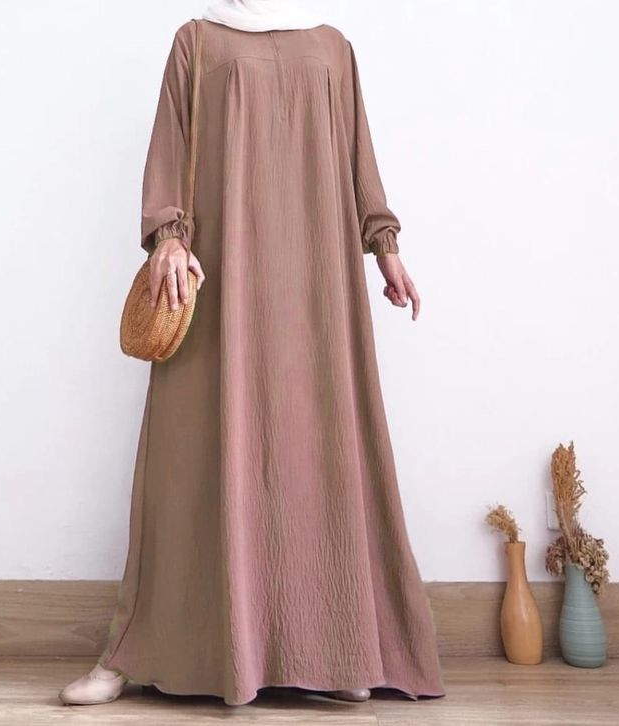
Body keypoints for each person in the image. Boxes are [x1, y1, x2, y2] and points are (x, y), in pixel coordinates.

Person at [59, 0, 445, 708]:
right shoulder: (198, 40)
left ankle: (335, 652)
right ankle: (137, 651)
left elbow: (357, 151)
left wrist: (384, 243)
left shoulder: (332, 45)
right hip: (222, 275)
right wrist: (168, 237)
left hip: (316, 277)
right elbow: (171, 147)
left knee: (317, 449)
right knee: (189, 462)